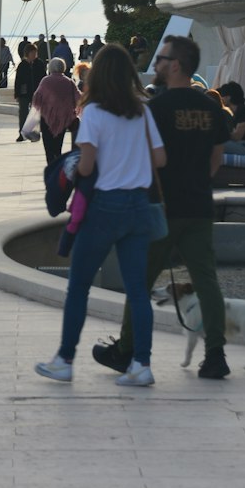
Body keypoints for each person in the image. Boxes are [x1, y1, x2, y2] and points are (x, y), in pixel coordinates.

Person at [93, 34, 232, 381]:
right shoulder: (212, 108)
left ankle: (127, 351)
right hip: (199, 206)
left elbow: (145, 161)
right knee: (206, 280)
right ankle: (216, 355)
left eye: (161, 58)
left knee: (139, 282)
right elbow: (217, 158)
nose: (155, 64)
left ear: (176, 64)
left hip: (161, 209)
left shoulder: (156, 110)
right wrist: (196, 182)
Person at [34, 44, 166, 387]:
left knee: (78, 286)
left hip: (105, 206)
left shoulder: (93, 113)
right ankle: (142, 364)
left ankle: (64, 359)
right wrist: (133, 163)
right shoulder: (143, 111)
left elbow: (88, 163)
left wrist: (73, 168)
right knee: (137, 290)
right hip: (138, 205)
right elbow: (161, 160)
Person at [31, 57, 81, 165]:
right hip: (62, 120)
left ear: (51, 67)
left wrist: (34, 112)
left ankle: (51, 166)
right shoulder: (69, 82)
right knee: (58, 146)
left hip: (46, 119)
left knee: (48, 148)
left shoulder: (46, 81)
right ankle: (57, 166)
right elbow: (79, 98)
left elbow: (37, 97)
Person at [13, 44, 45, 141]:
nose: (34, 54)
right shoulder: (22, 65)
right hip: (24, 93)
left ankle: (33, 134)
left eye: (35, 52)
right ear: (27, 53)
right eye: (32, 53)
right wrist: (17, 94)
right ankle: (22, 134)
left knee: (35, 114)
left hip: (37, 92)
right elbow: (17, 80)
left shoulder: (39, 63)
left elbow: (44, 78)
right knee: (23, 113)